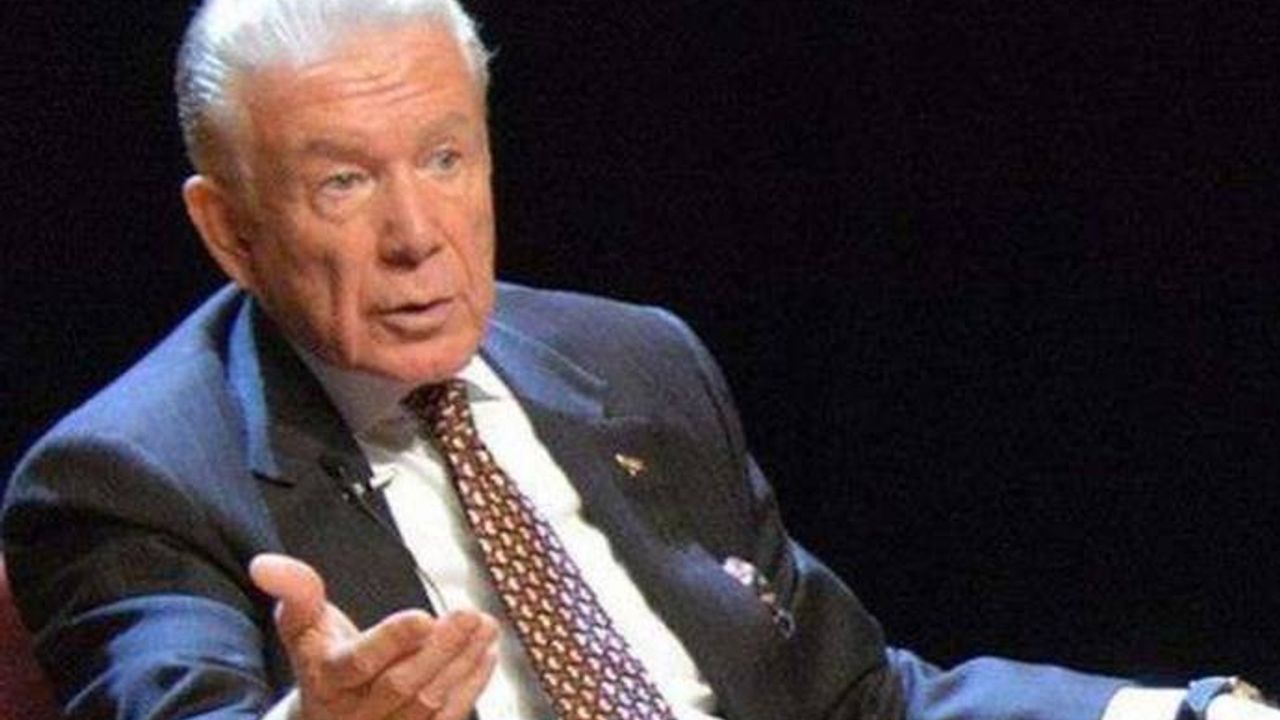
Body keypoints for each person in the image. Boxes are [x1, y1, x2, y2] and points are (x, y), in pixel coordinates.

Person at [1, 1, 1274, 719]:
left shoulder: (631, 361)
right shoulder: (126, 476)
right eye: (343, 183)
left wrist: (1175, 715)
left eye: (443, 159)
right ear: (229, 230)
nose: (415, 235)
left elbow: (850, 699)